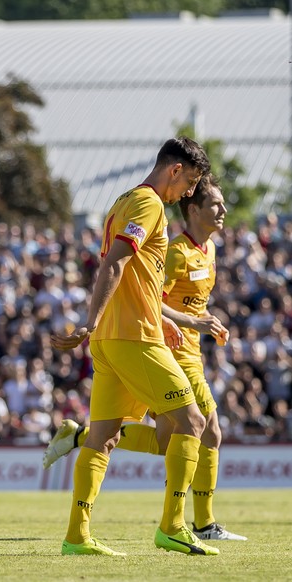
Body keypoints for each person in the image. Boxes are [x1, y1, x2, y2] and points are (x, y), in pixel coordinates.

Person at [43, 174, 246, 541]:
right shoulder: (167, 239)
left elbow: (155, 296)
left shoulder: (208, 250)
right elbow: (141, 286)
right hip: (159, 345)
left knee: (162, 441)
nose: (223, 210)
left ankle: (79, 455)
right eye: (214, 203)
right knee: (205, 429)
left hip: (172, 345)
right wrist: (172, 322)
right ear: (194, 208)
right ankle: (196, 525)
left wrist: (196, 322)